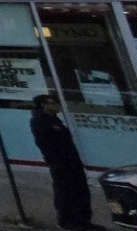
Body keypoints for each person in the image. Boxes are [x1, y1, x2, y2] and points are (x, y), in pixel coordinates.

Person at [30, 94, 101, 231]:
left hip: (71, 160)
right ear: (44, 105)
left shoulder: (53, 119)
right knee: (66, 192)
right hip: (61, 163)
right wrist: (55, 160)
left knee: (80, 191)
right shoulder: (41, 121)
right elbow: (44, 143)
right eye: (52, 103)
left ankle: (83, 221)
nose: (56, 105)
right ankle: (66, 220)